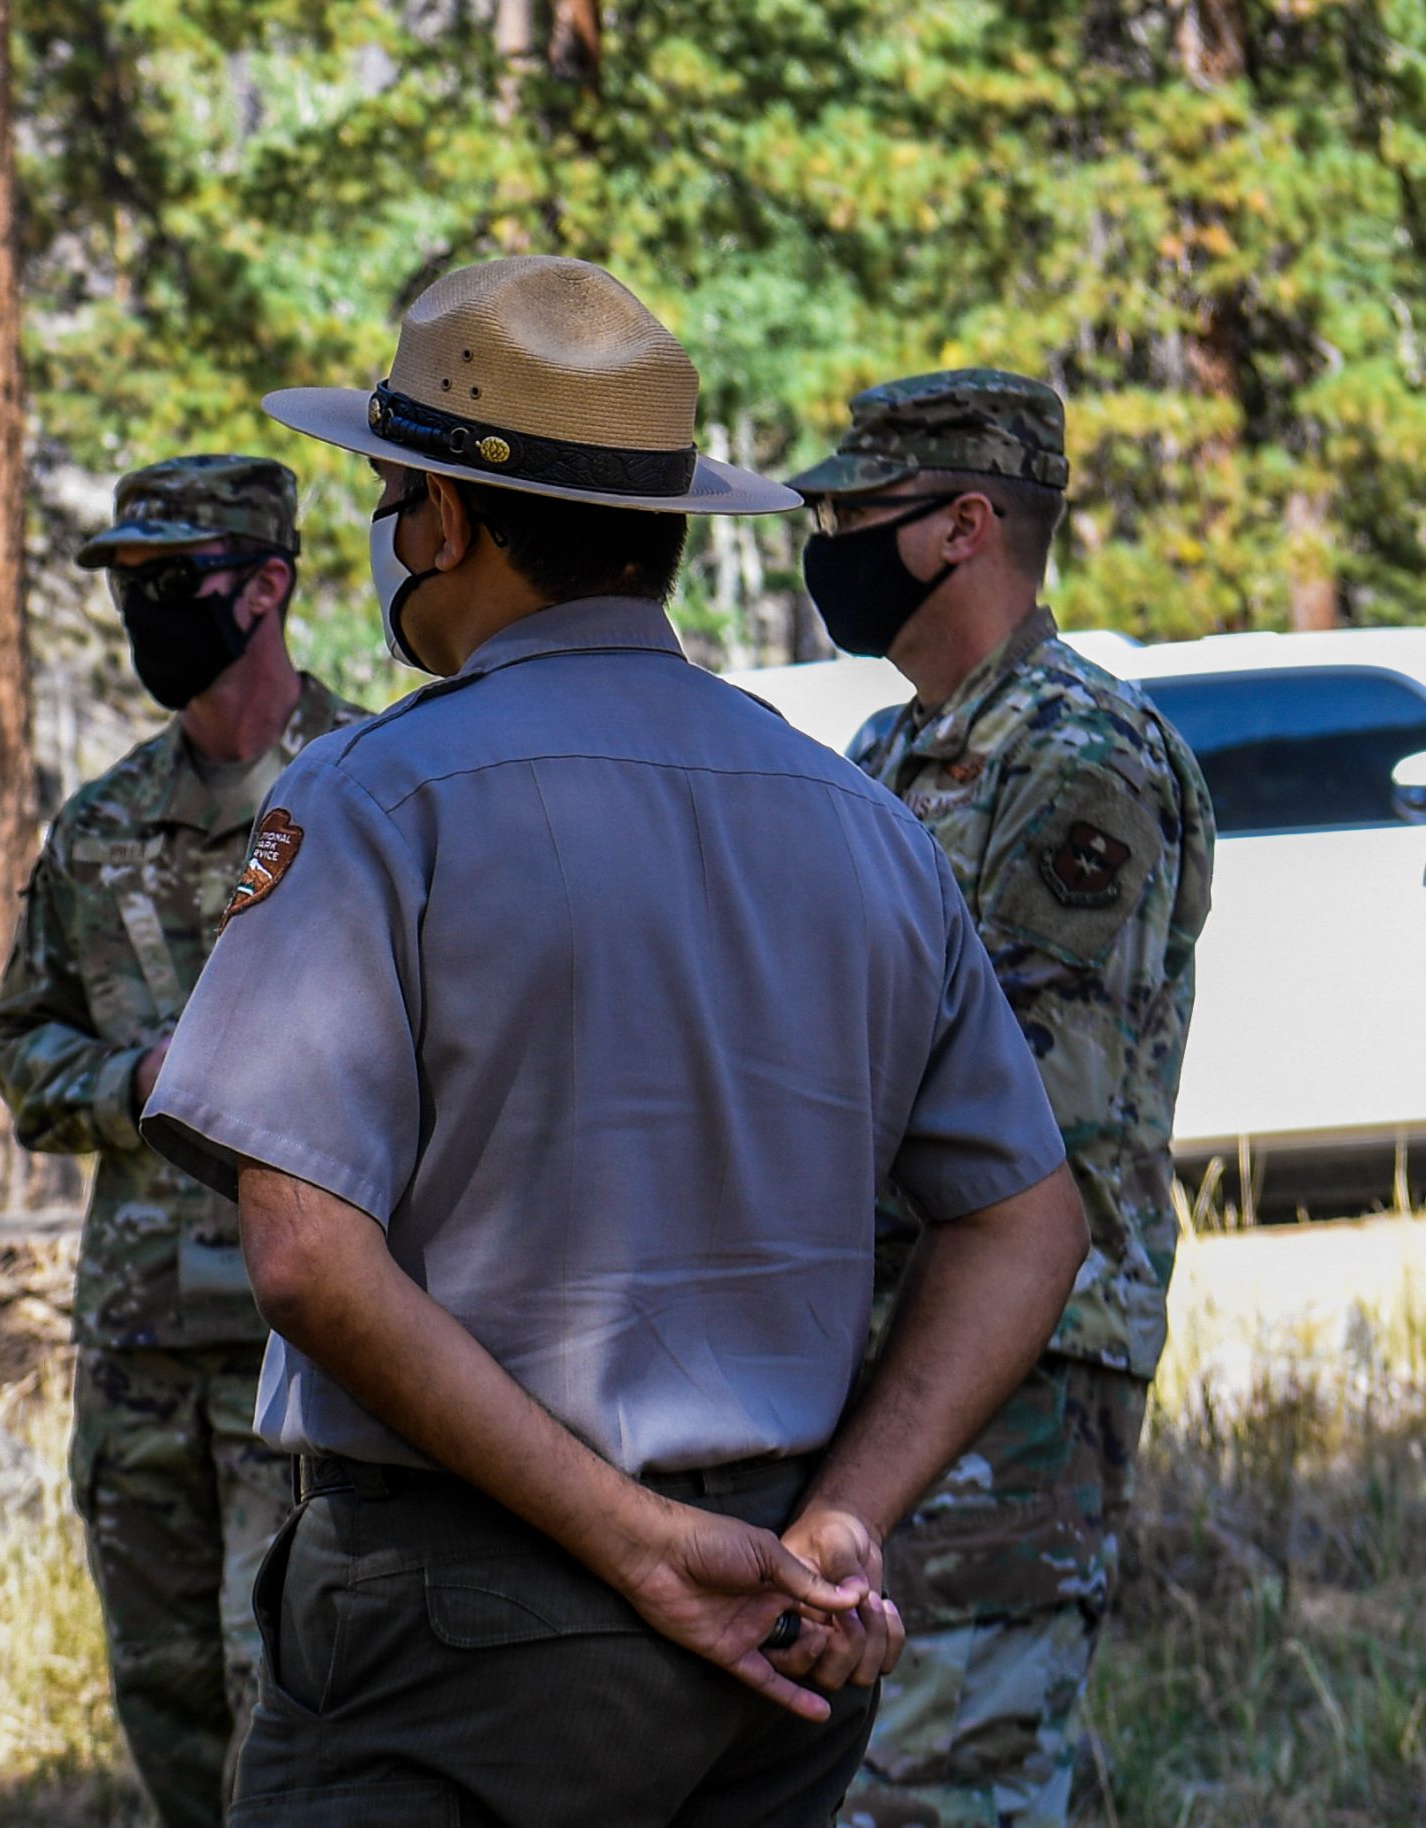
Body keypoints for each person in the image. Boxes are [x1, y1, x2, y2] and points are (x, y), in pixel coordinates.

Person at [135, 255, 1094, 1827]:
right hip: (776, 1636)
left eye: (393, 494)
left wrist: (637, 1543)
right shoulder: (859, 821)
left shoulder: (374, 799)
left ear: (442, 521)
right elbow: (1027, 1219)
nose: (390, 533)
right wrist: (843, 1521)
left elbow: (303, 1254)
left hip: (466, 1627)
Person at [788, 372, 1216, 1828]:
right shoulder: (892, 752)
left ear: (964, 525)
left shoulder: (1078, 758)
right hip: (892, 1339)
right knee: (909, 1766)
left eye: (856, 512)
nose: (827, 539)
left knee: (947, 1778)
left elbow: (1026, 1112)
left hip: (1019, 1360)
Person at [0, 454, 370, 1828]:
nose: (145, 611)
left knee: (293, 1695)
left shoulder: (376, 789)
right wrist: (134, 1080)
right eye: (127, 586)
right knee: (165, 1693)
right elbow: (21, 1049)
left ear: (268, 587)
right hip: (143, 1341)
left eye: (173, 582)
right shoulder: (99, 830)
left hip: (322, 1349)